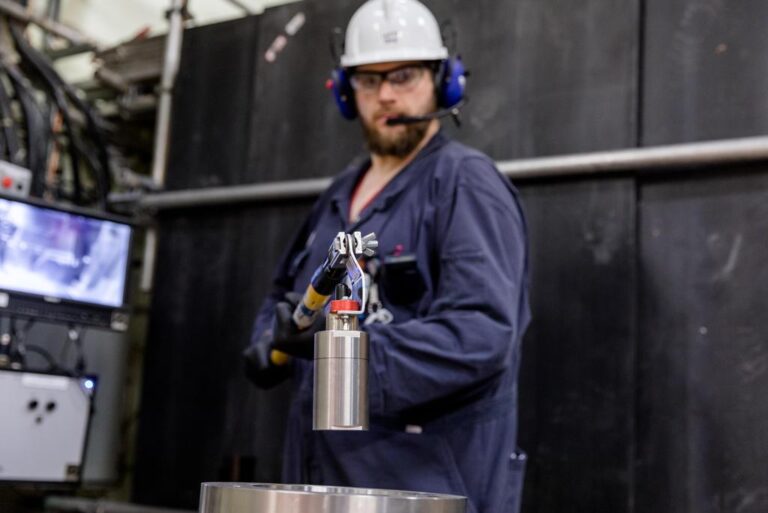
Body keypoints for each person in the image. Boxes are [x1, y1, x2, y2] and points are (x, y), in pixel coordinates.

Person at [244, 1, 530, 512]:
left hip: (421, 488)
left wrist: (337, 351)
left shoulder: (465, 184)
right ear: (346, 93)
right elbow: (284, 295)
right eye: (369, 80)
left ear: (444, 81)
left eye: (404, 75)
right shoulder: (337, 195)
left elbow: (481, 334)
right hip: (322, 483)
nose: (388, 94)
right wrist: (273, 339)